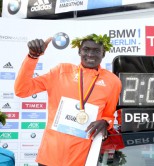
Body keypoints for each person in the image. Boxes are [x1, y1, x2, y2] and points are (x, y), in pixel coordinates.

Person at [14, 34, 122, 166]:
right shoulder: (61, 71)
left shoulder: (113, 81)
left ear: (103, 54)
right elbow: (22, 90)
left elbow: (109, 115)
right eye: (86, 49)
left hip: (82, 157)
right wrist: (32, 57)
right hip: (50, 155)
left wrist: (106, 122)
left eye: (96, 51)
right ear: (79, 51)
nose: (90, 54)